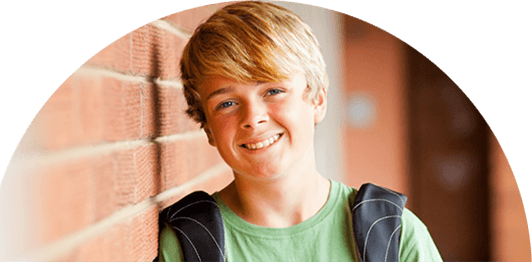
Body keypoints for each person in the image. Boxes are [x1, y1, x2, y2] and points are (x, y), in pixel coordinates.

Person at [159, 1, 442, 261]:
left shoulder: (395, 234)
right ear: (207, 125)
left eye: (273, 91)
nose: (253, 118)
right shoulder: (186, 245)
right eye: (227, 103)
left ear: (317, 99)